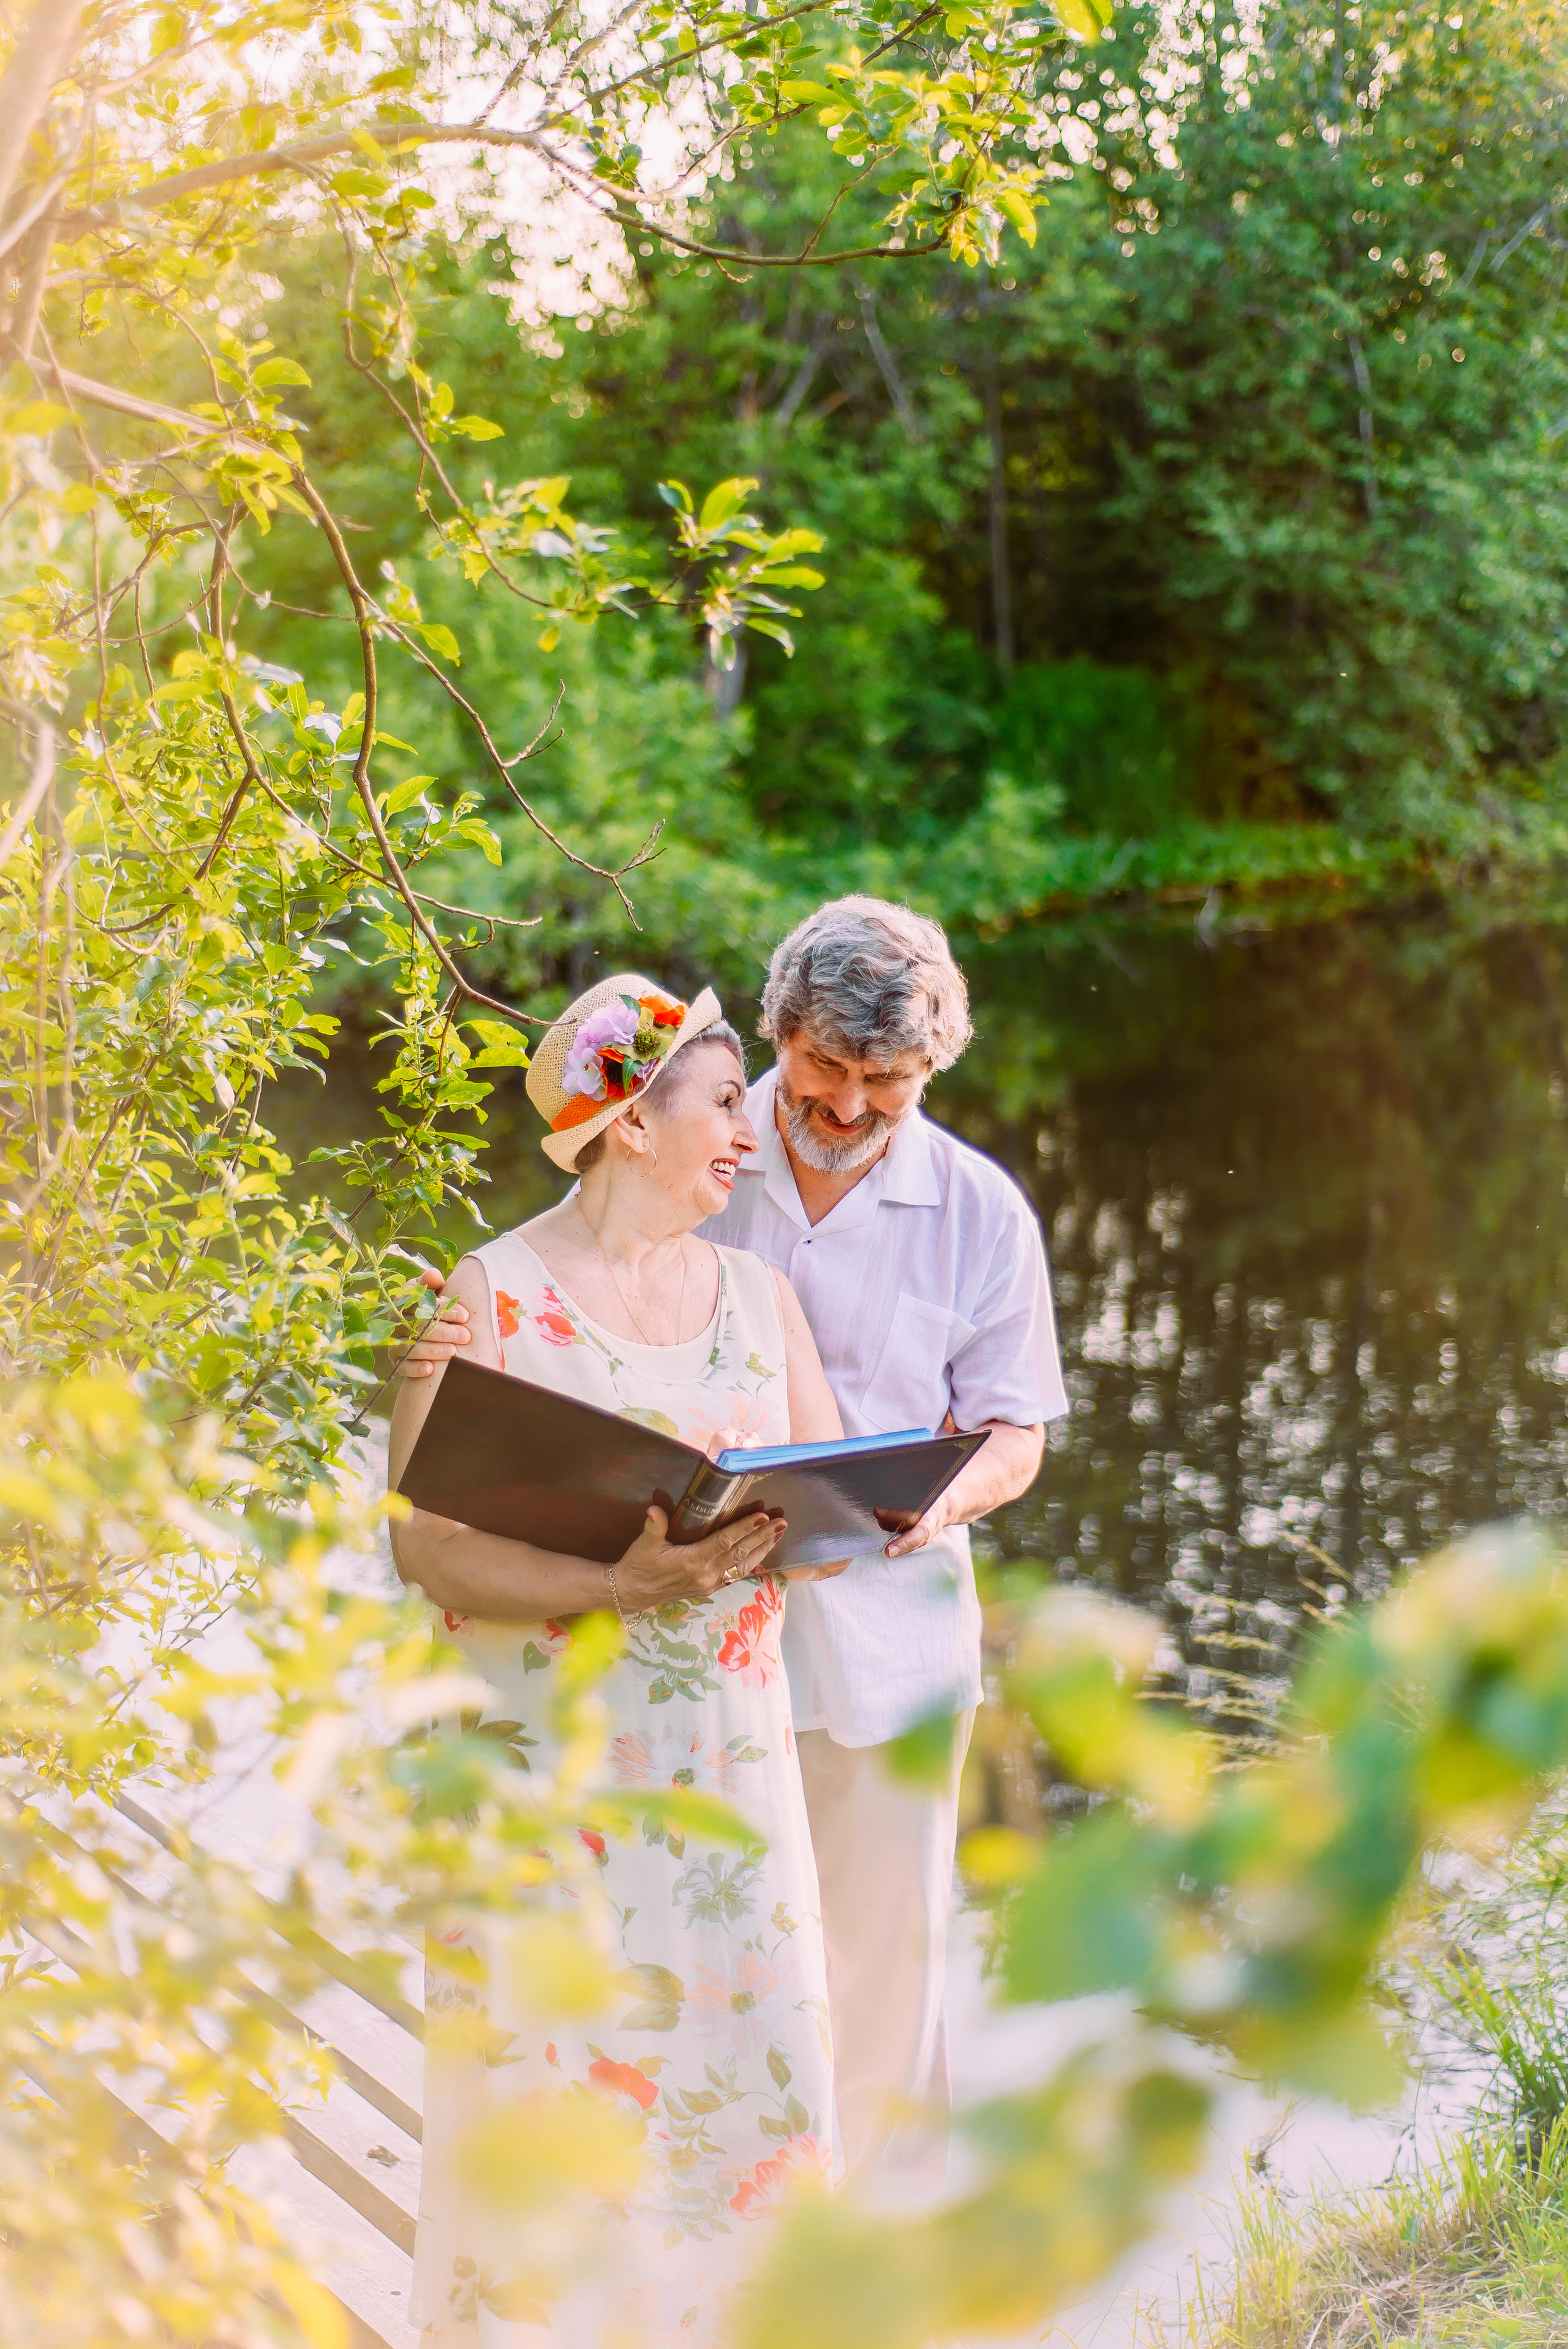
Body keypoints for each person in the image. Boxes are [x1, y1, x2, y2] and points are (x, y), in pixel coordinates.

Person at [406, 899, 1068, 2180]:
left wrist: (933, 1501)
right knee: (703, 1963)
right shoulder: (685, 1136)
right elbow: (567, 1310)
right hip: (685, 1651)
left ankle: (856, 2276)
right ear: (777, 1032)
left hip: (882, 1640)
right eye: (824, 1066)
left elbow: (1014, 1433)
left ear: (932, 1068)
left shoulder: (979, 1212)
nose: (847, 1103)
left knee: (879, 1981)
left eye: (889, 1080)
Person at [388, 974, 849, 2349]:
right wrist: (611, 1583)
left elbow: (827, 1520)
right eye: (721, 1103)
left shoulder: (761, 1296)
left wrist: (827, 1519)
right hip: (549, 1785)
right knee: (552, 2102)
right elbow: (426, 1549)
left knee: (752, 2088)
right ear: (631, 1121)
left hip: (728, 1776)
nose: (746, 1134)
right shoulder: (490, 1296)